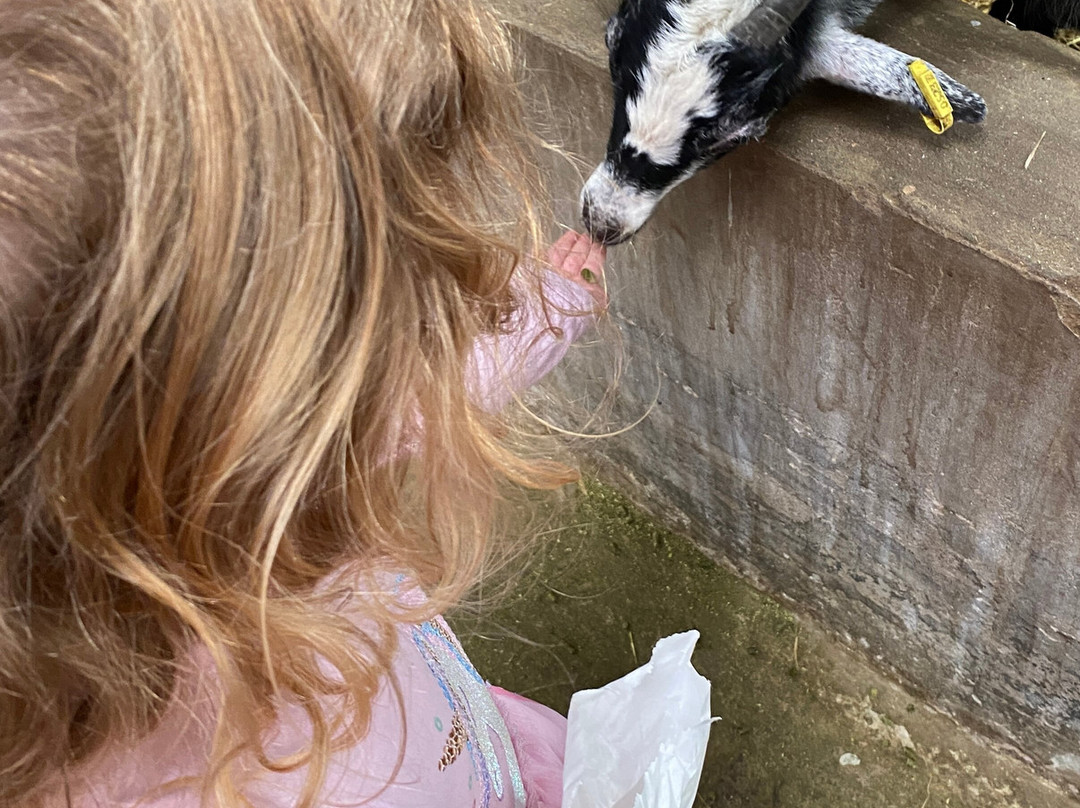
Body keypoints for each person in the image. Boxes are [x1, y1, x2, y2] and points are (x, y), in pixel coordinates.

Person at [0, 0, 607, 805]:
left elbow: (392, 399)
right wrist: (549, 310)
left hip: (455, 731)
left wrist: (546, 305)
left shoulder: (254, 469)